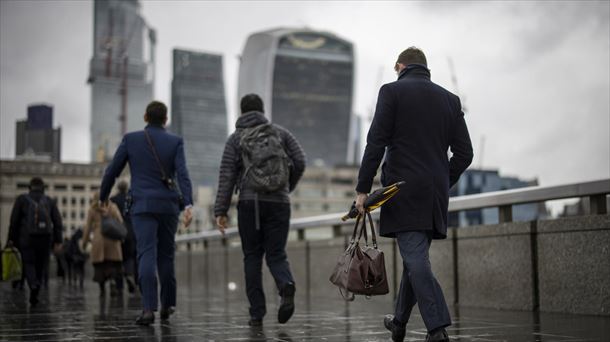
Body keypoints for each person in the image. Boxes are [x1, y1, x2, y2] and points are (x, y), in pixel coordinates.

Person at [354, 47, 473, 342]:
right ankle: (398, 322)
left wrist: (362, 190)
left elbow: (375, 143)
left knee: (416, 260)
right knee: (414, 258)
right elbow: (465, 154)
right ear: (426, 68)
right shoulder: (450, 99)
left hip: (401, 191)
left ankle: (437, 328)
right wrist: (443, 181)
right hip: (434, 194)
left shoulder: (391, 92)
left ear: (400, 66)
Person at [214, 94, 306, 327]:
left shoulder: (235, 139)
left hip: (250, 203)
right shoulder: (281, 134)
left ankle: (257, 313)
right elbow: (300, 160)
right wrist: (287, 187)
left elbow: (226, 176)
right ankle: (285, 285)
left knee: (252, 256)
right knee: (276, 253)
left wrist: (221, 211)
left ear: (242, 111)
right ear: (262, 110)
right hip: (280, 203)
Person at [100, 100, 193, 325]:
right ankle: (168, 304)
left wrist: (103, 197)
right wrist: (189, 204)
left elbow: (112, 170)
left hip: (142, 206)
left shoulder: (131, 139)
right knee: (166, 254)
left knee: (146, 253)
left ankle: (149, 309)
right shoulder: (175, 141)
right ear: (165, 119)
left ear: (145, 117)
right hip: (169, 206)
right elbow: (182, 174)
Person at [7, 177, 63, 306]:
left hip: (26, 238)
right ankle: (35, 290)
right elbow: (57, 221)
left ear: (29, 187)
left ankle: (33, 283)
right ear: (43, 188)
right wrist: (58, 241)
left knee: (28, 262)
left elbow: (14, 222)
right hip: (45, 237)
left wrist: (11, 239)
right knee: (41, 264)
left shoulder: (22, 199)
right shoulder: (49, 201)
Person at [81, 192, 124, 297]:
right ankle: (112, 281)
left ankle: (102, 290)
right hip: (112, 239)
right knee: (112, 263)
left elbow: (87, 228)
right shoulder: (113, 207)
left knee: (99, 266)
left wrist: (84, 243)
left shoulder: (92, 209)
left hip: (98, 239)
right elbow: (120, 221)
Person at [110, 180, 137, 294]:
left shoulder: (113, 200)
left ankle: (119, 285)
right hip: (131, 232)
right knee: (130, 257)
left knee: (117, 259)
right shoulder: (132, 199)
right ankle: (130, 276)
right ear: (126, 188)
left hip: (117, 232)